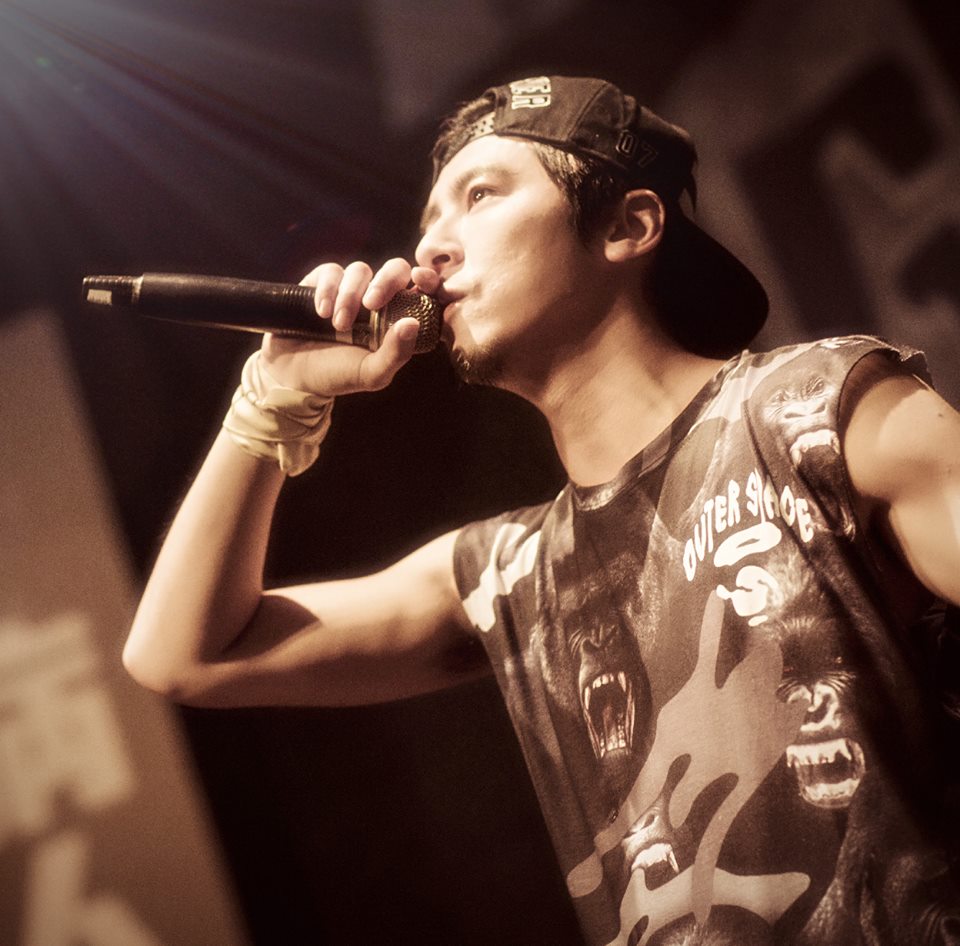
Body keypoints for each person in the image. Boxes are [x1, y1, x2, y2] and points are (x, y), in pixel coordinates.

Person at [123, 75, 960, 944]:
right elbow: (184, 654)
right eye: (430, 218)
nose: (430, 248)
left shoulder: (818, 412)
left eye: (481, 195)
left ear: (627, 226)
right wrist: (272, 401)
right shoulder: (512, 575)